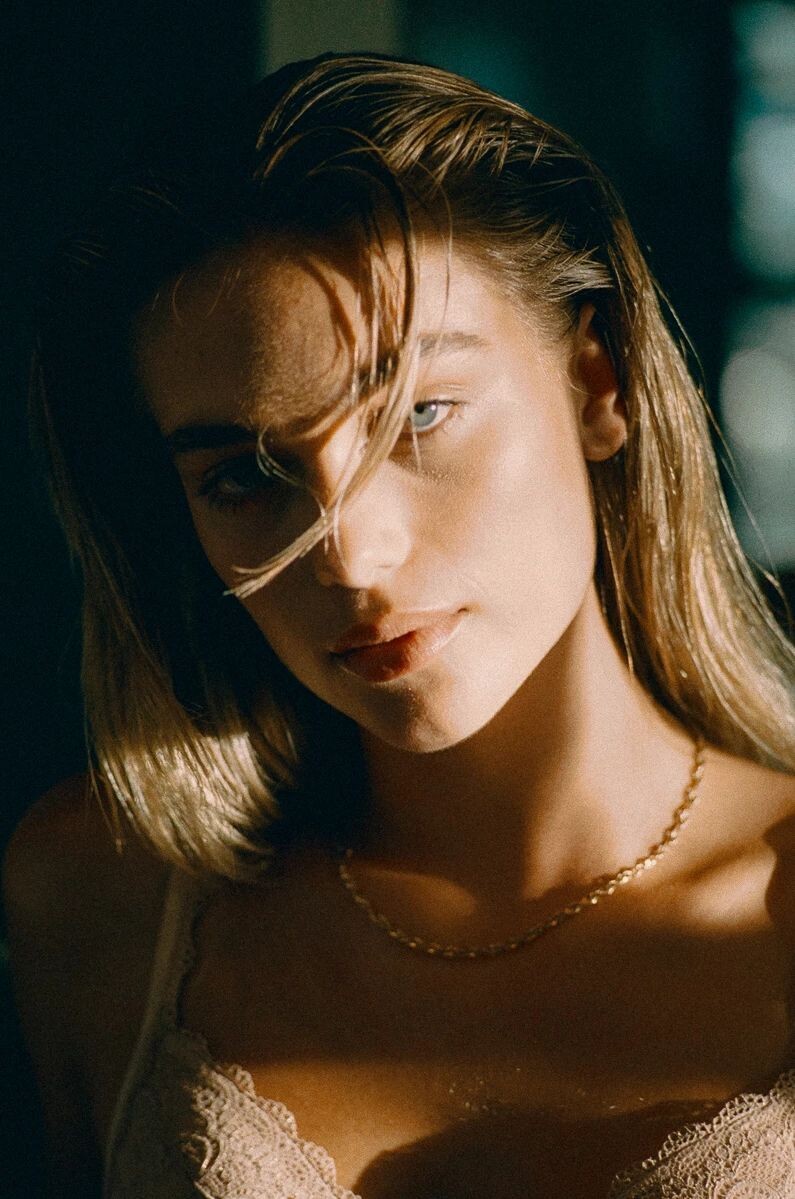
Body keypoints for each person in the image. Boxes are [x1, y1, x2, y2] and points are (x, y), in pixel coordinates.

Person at [4, 51, 795, 1199]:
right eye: (245, 477)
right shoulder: (104, 898)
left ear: (599, 382)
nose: (350, 557)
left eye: (419, 414)